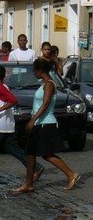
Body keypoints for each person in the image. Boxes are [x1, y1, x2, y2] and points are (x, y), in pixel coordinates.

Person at [12, 58, 80, 193]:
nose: (34, 74)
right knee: (30, 153)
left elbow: (46, 103)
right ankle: (29, 183)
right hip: (38, 123)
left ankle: (71, 174)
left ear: (40, 70)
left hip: (45, 123)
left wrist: (33, 120)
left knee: (46, 154)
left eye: (34, 71)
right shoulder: (44, 84)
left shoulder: (49, 84)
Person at [0, 66, 45, 178]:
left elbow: (13, 100)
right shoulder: (4, 86)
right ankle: (36, 168)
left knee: (13, 148)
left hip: (1, 125)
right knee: (13, 149)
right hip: (7, 125)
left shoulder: (1, 87)